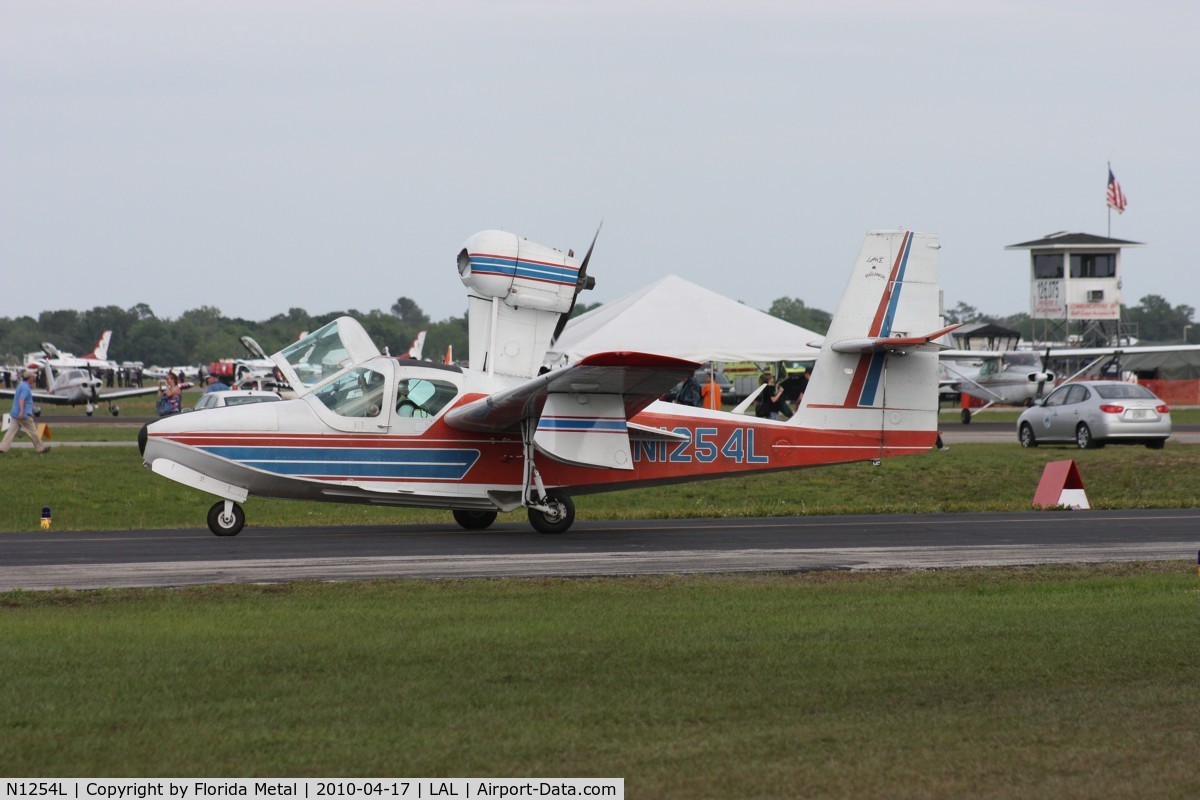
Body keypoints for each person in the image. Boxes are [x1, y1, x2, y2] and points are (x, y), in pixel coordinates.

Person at [0, 369, 50, 454]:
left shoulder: (21, 385)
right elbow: (21, 399)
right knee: (33, 432)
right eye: (33, 377)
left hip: (15, 414)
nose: (34, 378)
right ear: (29, 378)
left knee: (10, 431)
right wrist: (22, 412)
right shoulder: (26, 388)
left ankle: (2, 448)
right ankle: (40, 448)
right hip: (23, 415)